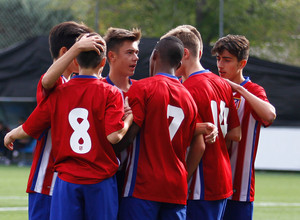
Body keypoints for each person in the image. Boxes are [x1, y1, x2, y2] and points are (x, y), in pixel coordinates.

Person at [4, 32, 133, 220]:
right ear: (103, 62)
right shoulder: (111, 92)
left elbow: (30, 127)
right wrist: (128, 119)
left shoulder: (59, 93)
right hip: (99, 181)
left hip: (67, 181)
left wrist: (11, 135)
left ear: (76, 61)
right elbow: (114, 136)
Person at [113, 36, 209, 220]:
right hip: (176, 189)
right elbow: (198, 144)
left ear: (154, 56)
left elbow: (130, 134)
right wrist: (184, 177)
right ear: (179, 63)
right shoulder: (189, 98)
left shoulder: (142, 88)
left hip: (142, 187)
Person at [161, 25, 241, 220]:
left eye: (172, 54)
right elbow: (235, 133)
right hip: (222, 177)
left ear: (185, 53)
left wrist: (183, 178)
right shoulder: (222, 83)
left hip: (200, 181)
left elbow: (199, 146)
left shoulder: (188, 88)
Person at [25, 21, 95, 220]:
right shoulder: (54, 82)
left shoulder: (77, 85)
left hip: (72, 181)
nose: (83, 56)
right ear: (67, 51)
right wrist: (77, 48)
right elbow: (48, 80)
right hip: (46, 181)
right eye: (81, 51)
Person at [211, 34, 276, 220]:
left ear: (242, 64)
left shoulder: (253, 91)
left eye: (227, 60)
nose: (220, 65)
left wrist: (239, 89)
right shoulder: (212, 88)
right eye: (218, 59)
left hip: (240, 187)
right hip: (211, 184)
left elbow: (270, 115)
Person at [103, 27, 141, 200]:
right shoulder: (99, 89)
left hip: (138, 181)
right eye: (129, 52)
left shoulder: (143, 90)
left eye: (137, 52)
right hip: (105, 177)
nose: (136, 57)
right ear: (111, 56)